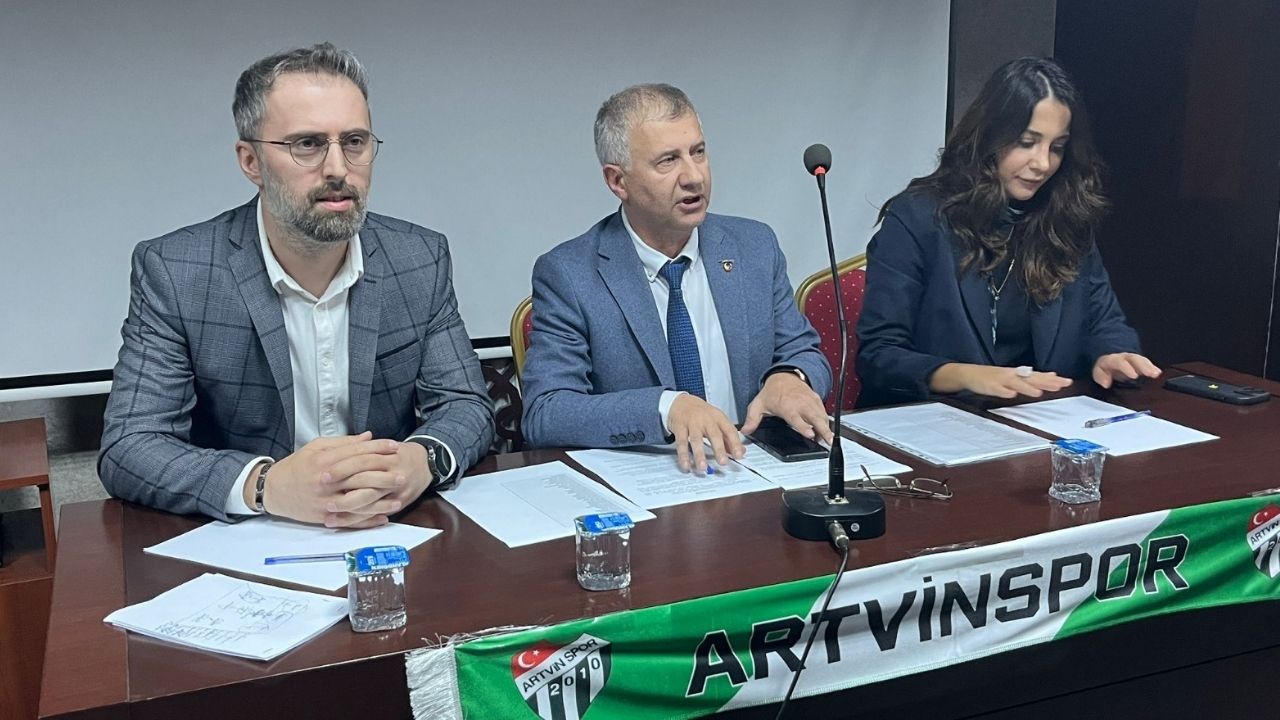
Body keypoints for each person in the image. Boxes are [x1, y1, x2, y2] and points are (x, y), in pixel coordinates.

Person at [99, 43, 494, 527]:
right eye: (307, 144)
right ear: (251, 161)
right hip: (250, 542)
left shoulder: (419, 259)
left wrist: (422, 459)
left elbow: (465, 405)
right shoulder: (178, 271)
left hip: (389, 530)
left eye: (354, 141)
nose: (338, 168)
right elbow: (130, 446)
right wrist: (266, 484)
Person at [521, 83, 832, 472]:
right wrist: (666, 408)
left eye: (698, 152)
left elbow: (804, 351)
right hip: (652, 482)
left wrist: (791, 377)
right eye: (668, 161)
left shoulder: (754, 246)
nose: (694, 177)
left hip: (752, 471)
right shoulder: (570, 274)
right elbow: (547, 411)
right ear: (618, 181)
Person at [856, 57, 1160, 408]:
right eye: (1027, 142)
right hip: (933, 418)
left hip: (1036, 418)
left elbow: (1104, 323)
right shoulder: (919, 217)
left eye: (1056, 147)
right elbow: (879, 355)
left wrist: (1111, 354)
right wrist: (967, 376)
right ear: (990, 136)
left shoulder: (1066, 219)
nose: (1042, 164)